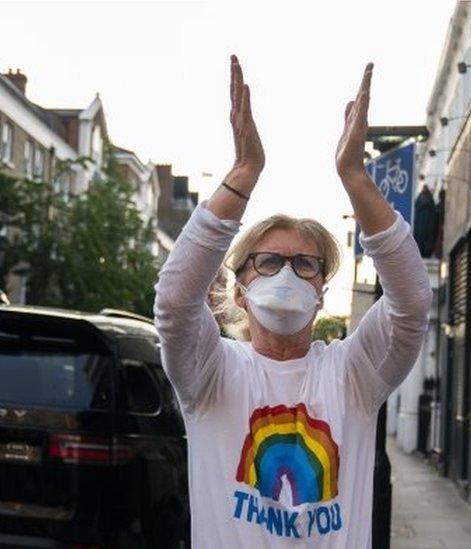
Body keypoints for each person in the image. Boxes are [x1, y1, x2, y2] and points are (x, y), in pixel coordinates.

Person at [153, 56, 431, 547]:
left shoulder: (353, 374)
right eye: (268, 261)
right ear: (239, 289)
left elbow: (409, 303)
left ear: (321, 293)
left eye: (306, 264)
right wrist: (244, 172)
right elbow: (176, 302)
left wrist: (355, 178)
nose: (288, 273)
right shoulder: (210, 373)